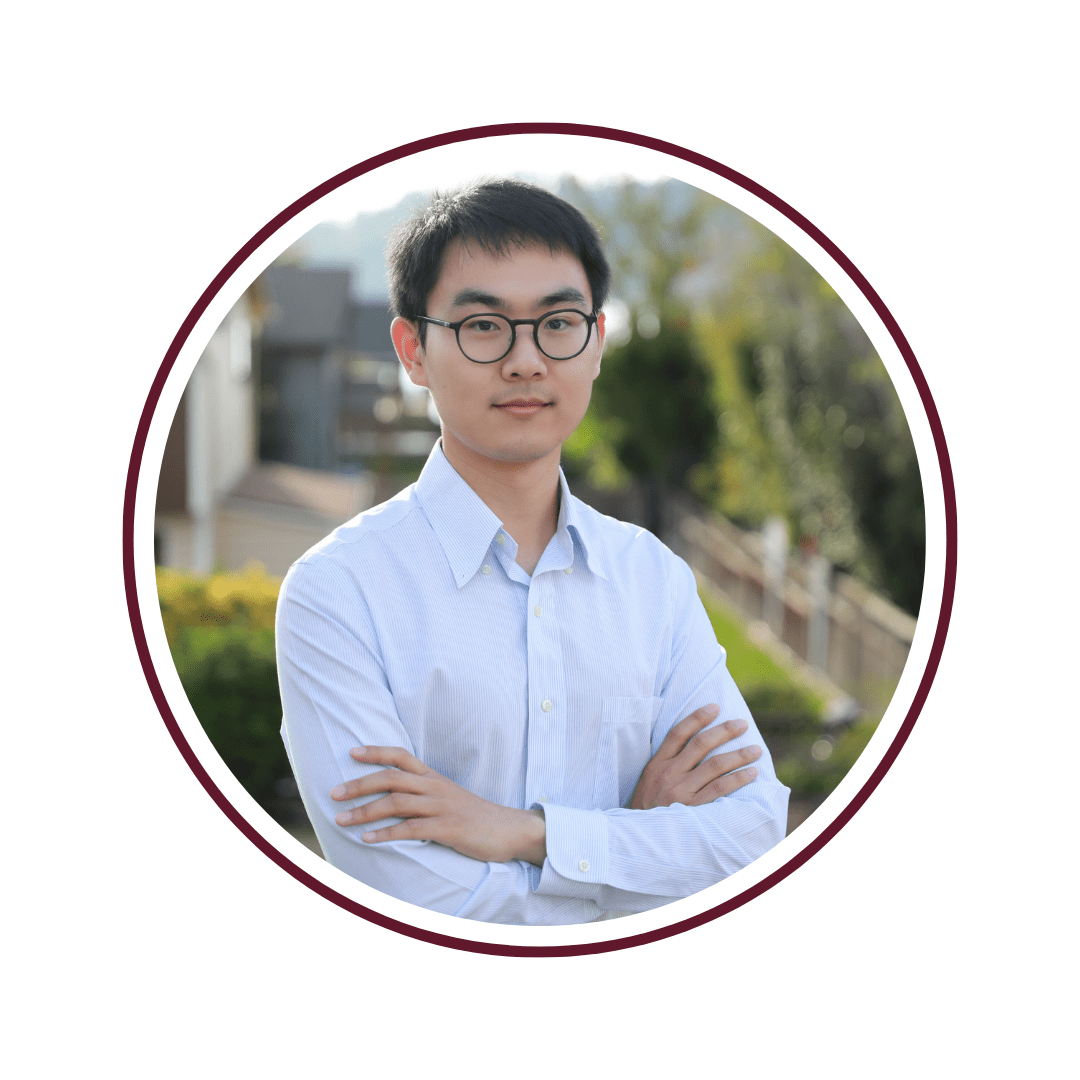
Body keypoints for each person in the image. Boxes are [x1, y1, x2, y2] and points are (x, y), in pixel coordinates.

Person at [276, 179, 789, 925]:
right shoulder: (339, 592)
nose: (525, 360)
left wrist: (528, 834)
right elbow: (407, 902)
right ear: (413, 350)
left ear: (596, 343)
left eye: (558, 323)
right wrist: (631, 844)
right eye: (483, 325)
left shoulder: (652, 579)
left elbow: (752, 838)